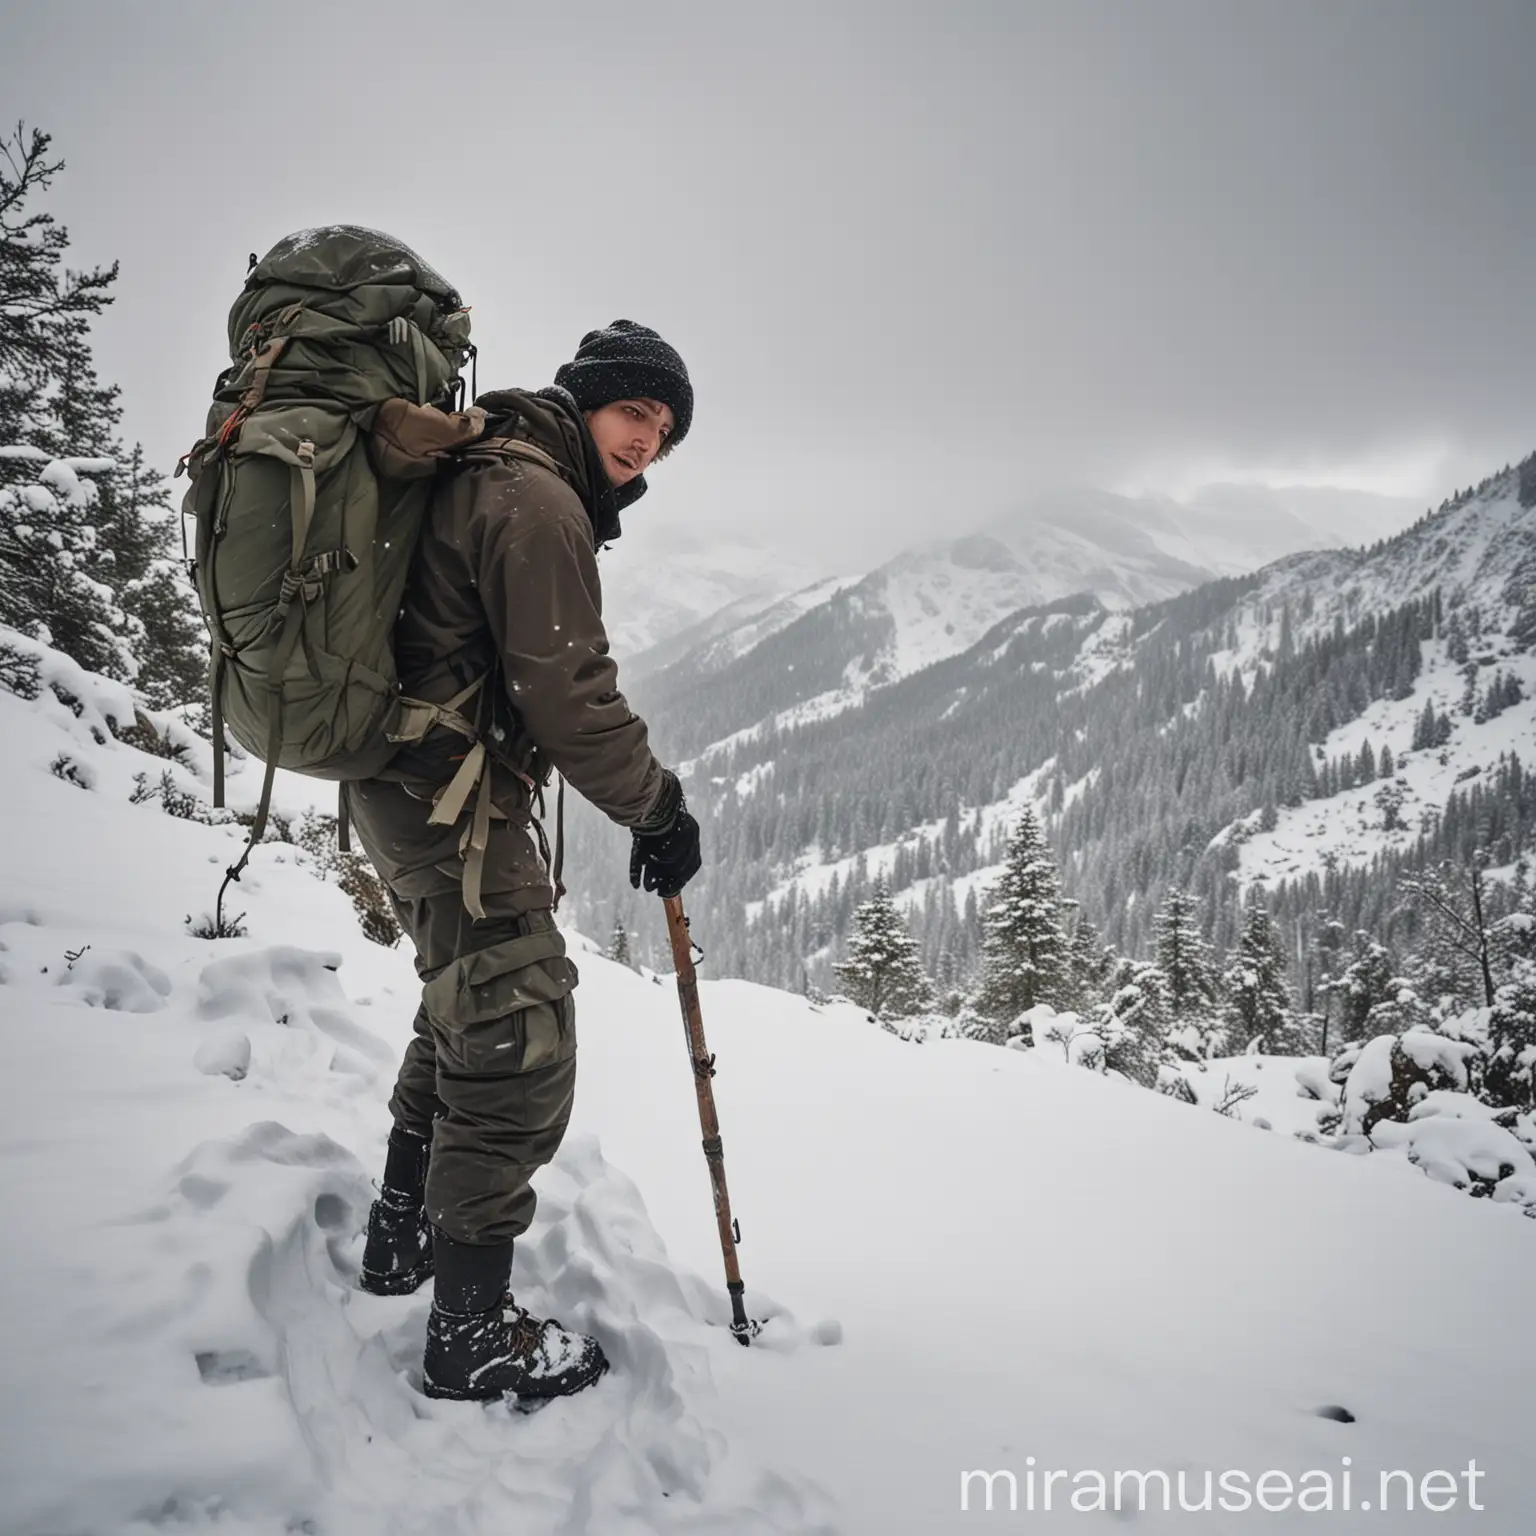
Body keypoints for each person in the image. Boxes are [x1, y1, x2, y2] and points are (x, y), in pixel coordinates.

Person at [345, 320, 703, 1402]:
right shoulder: (538, 499)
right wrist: (659, 808)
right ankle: (468, 1337)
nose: (648, 441)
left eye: (667, 429)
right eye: (635, 411)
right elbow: (570, 699)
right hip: (438, 795)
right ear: (587, 398)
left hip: (412, 785)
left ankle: (401, 1240)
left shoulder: (502, 466)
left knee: (466, 1003)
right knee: (517, 1039)